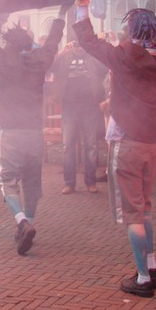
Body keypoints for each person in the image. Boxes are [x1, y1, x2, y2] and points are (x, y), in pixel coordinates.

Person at [72, 0, 156, 299]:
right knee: (145, 206)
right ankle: (151, 265)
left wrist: (82, 4)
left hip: (127, 143)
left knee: (132, 213)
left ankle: (143, 277)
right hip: (153, 142)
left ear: (129, 29)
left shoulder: (123, 55)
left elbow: (87, 40)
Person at [0, 0, 67, 253]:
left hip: (10, 132)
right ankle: (28, 223)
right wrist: (61, 14)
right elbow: (52, 42)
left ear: (9, 44)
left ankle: (21, 221)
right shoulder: (40, 60)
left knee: (6, 180)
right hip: (34, 132)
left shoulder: (4, 59)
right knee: (31, 182)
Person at [50, 41, 107, 195]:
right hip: (69, 107)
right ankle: (69, 183)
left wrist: (92, 49)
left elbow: (104, 68)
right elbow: (51, 66)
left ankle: (90, 182)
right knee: (68, 145)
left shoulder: (92, 57)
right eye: (76, 45)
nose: (79, 48)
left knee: (91, 145)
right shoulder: (64, 57)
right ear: (72, 45)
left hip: (89, 106)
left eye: (82, 45)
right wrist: (62, 51)